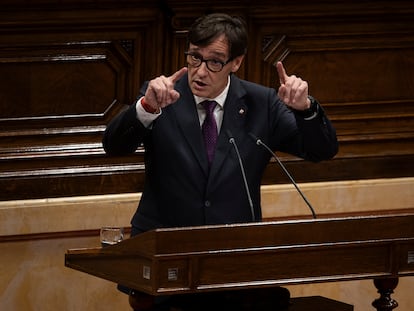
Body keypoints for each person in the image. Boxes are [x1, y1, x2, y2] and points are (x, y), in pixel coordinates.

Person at [103, 12, 338, 311]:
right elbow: (114, 145)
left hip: (234, 263)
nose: (200, 72)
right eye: (194, 58)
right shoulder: (162, 95)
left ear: (235, 63)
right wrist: (146, 107)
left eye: (214, 62)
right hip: (165, 260)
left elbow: (322, 149)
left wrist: (305, 109)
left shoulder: (261, 103)